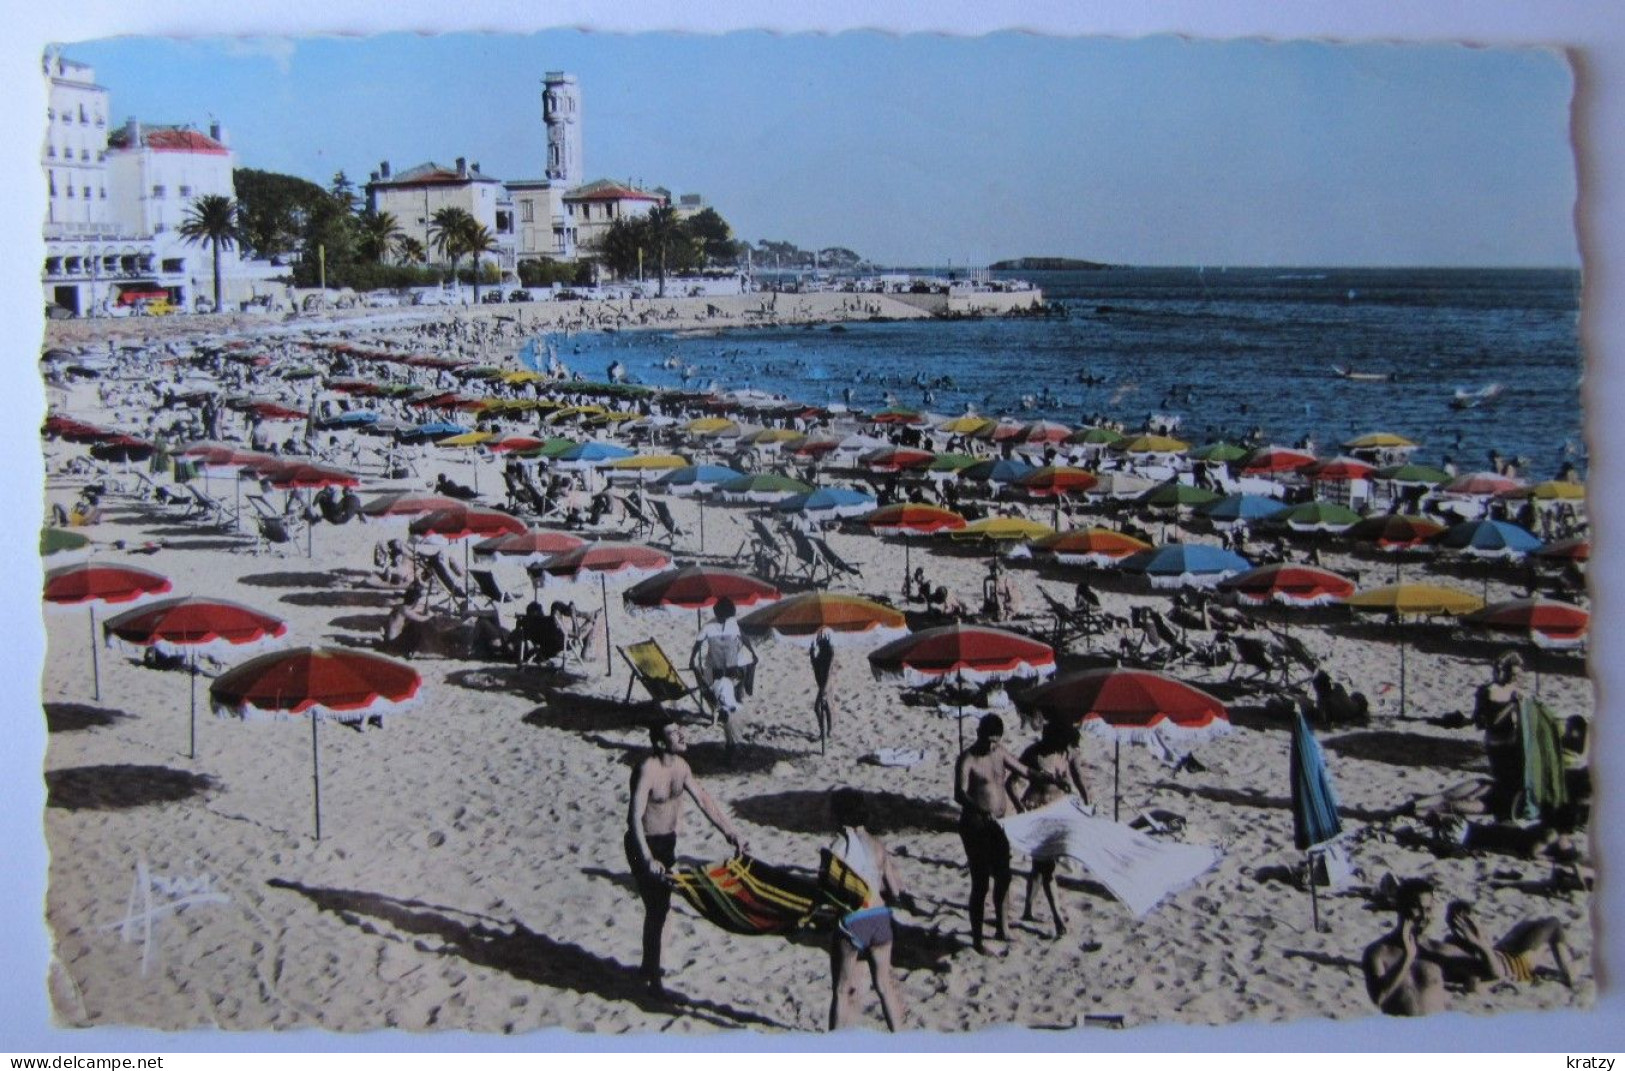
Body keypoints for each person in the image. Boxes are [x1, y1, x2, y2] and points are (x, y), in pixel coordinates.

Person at [625, 719, 748, 998]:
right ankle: (653, 980)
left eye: (680, 729)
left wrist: (732, 834)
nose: (681, 734)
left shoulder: (681, 768)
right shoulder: (647, 770)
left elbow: (704, 801)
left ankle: (648, 967)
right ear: (659, 742)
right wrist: (646, 859)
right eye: (672, 732)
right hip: (641, 844)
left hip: (667, 844)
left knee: (661, 909)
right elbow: (633, 820)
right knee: (657, 907)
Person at [954, 714, 1057, 955]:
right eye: (988, 740)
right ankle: (978, 939)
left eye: (995, 741)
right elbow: (959, 794)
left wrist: (1044, 777)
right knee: (980, 883)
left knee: (1004, 877)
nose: (991, 746)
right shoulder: (967, 759)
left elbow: (1023, 770)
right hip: (975, 825)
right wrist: (980, 809)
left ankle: (1002, 928)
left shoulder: (999, 753)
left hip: (998, 825)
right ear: (979, 734)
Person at [824, 788, 908, 1032]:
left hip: (853, 919)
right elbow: (895, 889)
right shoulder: (878, 845)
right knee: (884, 986)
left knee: (841, 991)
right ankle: (903, 1042)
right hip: (880, 919)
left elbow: (828, 889)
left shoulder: (839, 845)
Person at [1008, 721, 1092, 939]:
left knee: (1040, 865)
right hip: (1037, 813)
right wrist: (1020, 809)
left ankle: (1027, 910)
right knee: (1047, 869)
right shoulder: (1033, 753)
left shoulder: (1068, 753)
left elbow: (1079, 778)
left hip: (1059, 813)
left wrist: (1088, 803)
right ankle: (1058, 920)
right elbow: (1011, 783)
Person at [1361, 878, 1454, 1016]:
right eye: (1417, 908)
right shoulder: (1377, 953)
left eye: (1428, 909)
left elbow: (1494, 973)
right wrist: (1408, 957)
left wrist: (1479, 942)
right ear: (1400, 908)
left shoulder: (1436, 950)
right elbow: (1379, 998)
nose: (1423, 916)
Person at [1444, 900, 1574, 990]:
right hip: (1520, 962)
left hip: (1506, 954)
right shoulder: (1466, 948)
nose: (1478, 925)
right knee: (1553, 923)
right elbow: (1488, 978)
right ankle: (1568, 971)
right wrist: (1480, 944)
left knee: (1525, 926)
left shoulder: (1454, 942)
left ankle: (1566, 969)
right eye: (1472, 921)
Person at [691, 597, 757, 751]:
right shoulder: (709, 627)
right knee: (727, 702)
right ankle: (732, 738)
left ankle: (735, 736)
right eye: (723, 617)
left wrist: (753, 652)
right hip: (718, 669)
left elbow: (744, 638)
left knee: (735, 700)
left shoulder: (733, 624)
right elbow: (698, 643)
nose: (725, 620)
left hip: (732, 667)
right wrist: (692, 659)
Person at [1473, 650, 1525, 820]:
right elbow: (1485, 723)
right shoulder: (1487, 692)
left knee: (1513, 781)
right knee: (1501, 779)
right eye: (1511, 673)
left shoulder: (1515, 690)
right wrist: (1512, 706)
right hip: (1496, 743)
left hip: (1512, 744)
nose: (1514, 677)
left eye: (1517, 674)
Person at [810, 626, 837, 747]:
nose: (819, 644)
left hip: (825, 685)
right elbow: (815, 666)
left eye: (820, 642)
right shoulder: (821, 655)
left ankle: (825, 731)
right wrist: (811, 654)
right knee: (824, 706)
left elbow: (828, 667)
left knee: (818, 707)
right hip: (822, 683)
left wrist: (823, 690)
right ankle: (827, 731)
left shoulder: (828, 655)